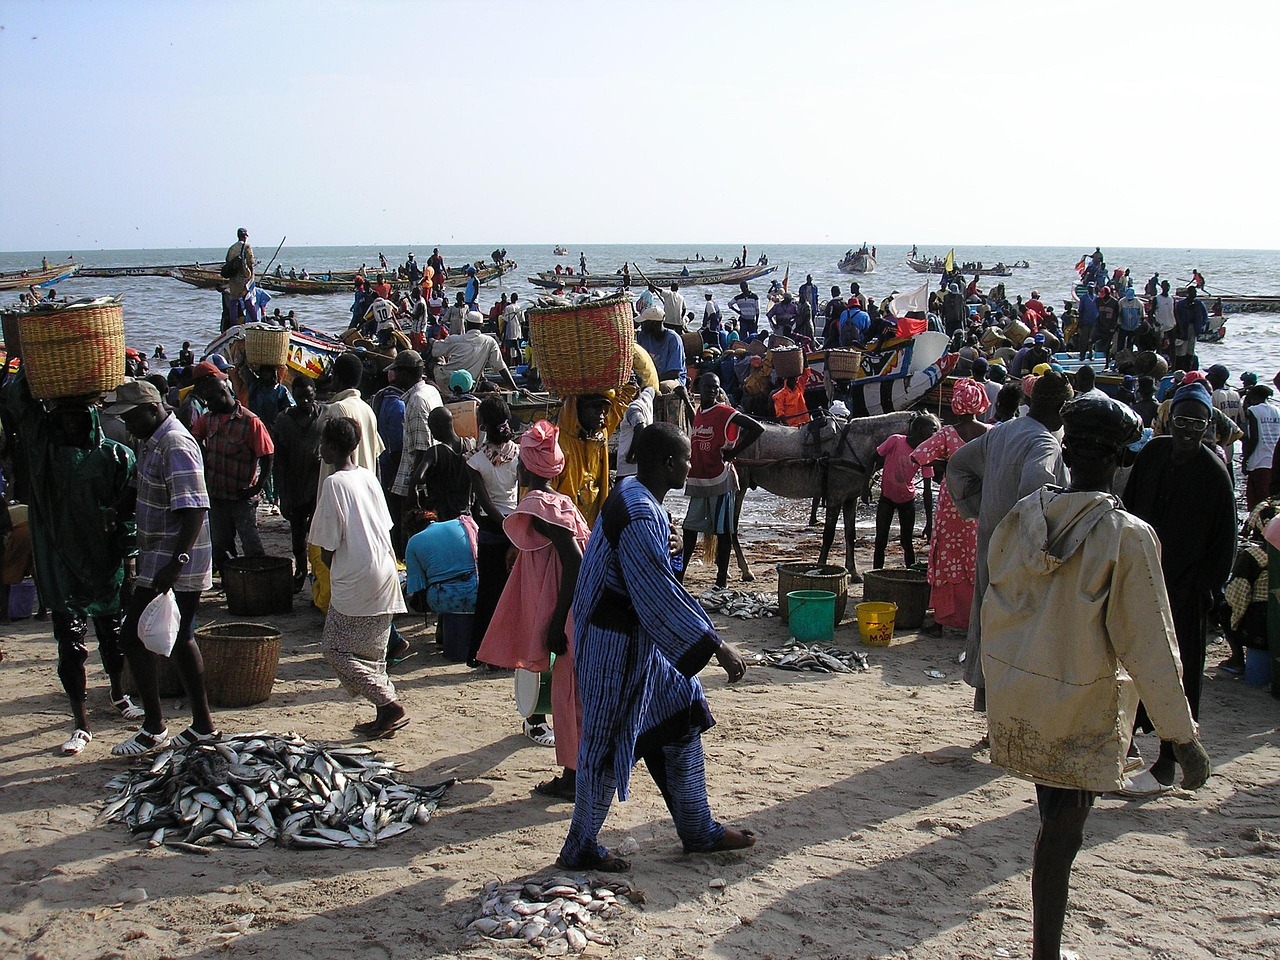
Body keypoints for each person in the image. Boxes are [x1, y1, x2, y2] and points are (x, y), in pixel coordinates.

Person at [982, 394, 1211, 960]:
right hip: (1082, 703)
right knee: (1063, 833)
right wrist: (1182, 738)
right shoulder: (1125, 536)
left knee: (1051, 822)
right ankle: (1047, 954)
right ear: (1118, 460)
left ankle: (1047, 949)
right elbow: (1151, 645)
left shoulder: (1023, 516)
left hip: (1023, 697)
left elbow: (998, 604)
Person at [558, 422, 755, 872]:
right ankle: (580, 845)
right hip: (615, 645)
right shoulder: (642, 513)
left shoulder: (629, 493)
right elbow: (658, 592)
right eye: (685, 459)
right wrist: (717, 647)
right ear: (668, 464)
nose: (691, 465)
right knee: (604, 744)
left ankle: (697, 828)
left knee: (682, 711)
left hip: (633, 638)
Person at [1, 371, 140, 755]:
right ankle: (81, 722)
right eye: (61, 417)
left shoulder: (115, 455)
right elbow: (18, 402)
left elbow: (129, 512)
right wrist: (28, 365)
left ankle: (118, 694)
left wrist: (128, 554)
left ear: (91, 418)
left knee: (113, 638)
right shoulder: (44, 453)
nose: (68, 424)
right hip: (60, 561)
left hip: (105, 560)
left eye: (76, 416)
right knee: (71, 646)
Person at [1122, 382, 1235, 791]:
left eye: (1198, 424)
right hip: (1140, 580)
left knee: (1179, 675)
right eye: (1183, 420)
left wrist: (1206, 592)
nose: (1189, 430)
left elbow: (1226, 543)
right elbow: (1128, 509)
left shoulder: (1214, 474)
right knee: (1127, 665)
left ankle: (1169, 761)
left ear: (1208, 427)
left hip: (1185, 593)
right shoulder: (1152, 454)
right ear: (1170, 420)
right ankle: (1124, 745)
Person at [947, 371, 1074, 710]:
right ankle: (1009, 717)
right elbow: (1037, 488)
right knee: (1021, 633)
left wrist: (978, 509)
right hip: (1022, 555)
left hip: (991, 545)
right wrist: (1036, 538)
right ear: (1063, 408)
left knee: (991, 624)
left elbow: (957, 467)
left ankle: (989, 708)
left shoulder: (1002, 431)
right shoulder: (1044, 443)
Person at [477, 421, 590, 800]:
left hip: (569, 609)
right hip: (579, 605)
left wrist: (557, 621)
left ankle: (573, 777)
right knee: (575, 692)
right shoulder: (561, 502)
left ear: (525, 469)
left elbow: (572, 562)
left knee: (567, 693)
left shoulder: (537, 506)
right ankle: (580, 770)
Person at [105, 381, 217, 756]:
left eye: (131, 418)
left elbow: (196, 509)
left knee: (133, 637)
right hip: (158, 555)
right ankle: (202, 726)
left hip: (175, 558)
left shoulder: (175, 444)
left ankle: (154, 727)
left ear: (152, 410)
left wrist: (176, 562)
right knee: (181, 636)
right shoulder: (152, 440)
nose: (128, 426)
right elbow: (141, 487)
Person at [309, 417, 408, 738]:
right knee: (374, 655)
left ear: (334, 447)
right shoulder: (368, 477)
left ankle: (388, 703)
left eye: (323, 442)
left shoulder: (334, 484)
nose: (319, 448)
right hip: (385, 570)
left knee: (335, 649)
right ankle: (385, 714)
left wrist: (327, 569)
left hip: (357, 576)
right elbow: (385, 525)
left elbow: (326, 545)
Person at [911, 379, 991, 634]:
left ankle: (942, 620)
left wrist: (947, 465)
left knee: (947, 555)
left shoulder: (946, 434)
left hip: (952, 500)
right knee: (976, 553)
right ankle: (976, 618)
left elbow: (918, 454)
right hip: (981, 499)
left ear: (956, 404)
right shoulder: (991, 433)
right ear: (979, 403)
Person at [678, 373, 764, 588]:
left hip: (720, 480)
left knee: (723, 531)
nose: (711, 391)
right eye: (707, 387)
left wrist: (733, 452)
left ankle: (721, 580)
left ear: (719, 390)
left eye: (715, 388)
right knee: (689, 529)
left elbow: (757, 428)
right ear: (700, 388)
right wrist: (685, 400)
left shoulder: (725, 413)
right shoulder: (701, 411)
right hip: (699, 479)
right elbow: (694, 421)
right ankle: (679, 575)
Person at [188, 362, 274, 576]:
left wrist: (258, 486)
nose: (208, 405)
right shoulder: (208, 420)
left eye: (211, 401)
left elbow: (268, 454)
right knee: (221, 545)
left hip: (242, 496)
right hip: (217, 495)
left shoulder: (250, 421)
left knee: (250, 542)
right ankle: (231, 584)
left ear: (223, 394)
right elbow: (193, 440)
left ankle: (258, 580)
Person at [467, 396, 522, 670]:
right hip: (517, 529)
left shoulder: (475, 460)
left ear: (483, 424)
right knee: (514, 595)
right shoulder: (520, 455)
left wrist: (504, 526)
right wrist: (515, 530)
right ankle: (513, 653)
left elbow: (484, 503)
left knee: (489, 594)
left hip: (491, 531)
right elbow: (524, 494)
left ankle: (487, 654)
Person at [387, 351, 442, 556]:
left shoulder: (417, 401)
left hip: (417, 482)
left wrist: (412, 492)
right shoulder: (430, 391)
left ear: (405, 373)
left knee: (412, 534)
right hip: (425, 477)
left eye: (396, 372)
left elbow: (421, 450)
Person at [273, 376, 325, 591]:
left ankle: (318, 573)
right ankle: (301, 570)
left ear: (315, 394)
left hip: (318, 487)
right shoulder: (284, 420)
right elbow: (279, 460)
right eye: (300, 397)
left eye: (308, 397)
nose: (304, 401)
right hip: (294, 486)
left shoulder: (325, 416)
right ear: (293, 396)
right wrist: (281, 494)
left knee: (318, 532)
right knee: (297, 533)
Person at [873, 415, 938, 570]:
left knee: (907, 542)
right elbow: (873, 458)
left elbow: (927, 491)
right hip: (886, 498)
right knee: (880, 540)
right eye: (933, 430)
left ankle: (910, 574)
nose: (935, 434)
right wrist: (864, 487)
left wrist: (929, 523)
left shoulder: (924, 453)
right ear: (921, 429)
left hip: (907, 501)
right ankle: (875, 574)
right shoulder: (896, 441)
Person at [431, 311, 519, 392]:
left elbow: (435, 351)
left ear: (466, 324)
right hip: (468, 384)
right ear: (481, 326)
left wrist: (431, 341)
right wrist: (515, 388)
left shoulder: (454, 339)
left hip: (447, 382)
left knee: (434, 359)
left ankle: (431, 386)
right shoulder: (489, 341)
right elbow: (500, 367)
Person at [1241, 384, 1280, 508]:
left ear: (1254, 397)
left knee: (1257, 502)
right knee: (1270, 500)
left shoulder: (1254, 410)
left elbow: (1254, 438)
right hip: (1274, 460)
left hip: (1258, 460)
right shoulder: (1277, 410)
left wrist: (1245, 459)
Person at [222, 227, 255, 330]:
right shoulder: (247, 246)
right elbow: (251, 261)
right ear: (244, 236)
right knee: (248, 301)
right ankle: (255, 323)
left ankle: (233, 326)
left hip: (233, 278)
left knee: (233, 302)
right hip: (243, 278)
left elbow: (227, 260)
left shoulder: (232, 248)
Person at [1173, 286, 1208, 372]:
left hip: (1194, 328)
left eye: (1195, 293)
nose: (1194, 294)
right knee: (1181, 351)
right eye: (1193, 293)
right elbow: (1176, 316)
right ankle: (1179, 369)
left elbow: (1205, 316)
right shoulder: (1181, 304)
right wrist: (1179, 329)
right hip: (1183, 329)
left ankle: (1188, 369)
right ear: (1188, 293)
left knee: (1190, 351)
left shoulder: (1199, 304)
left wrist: (1200, 326)